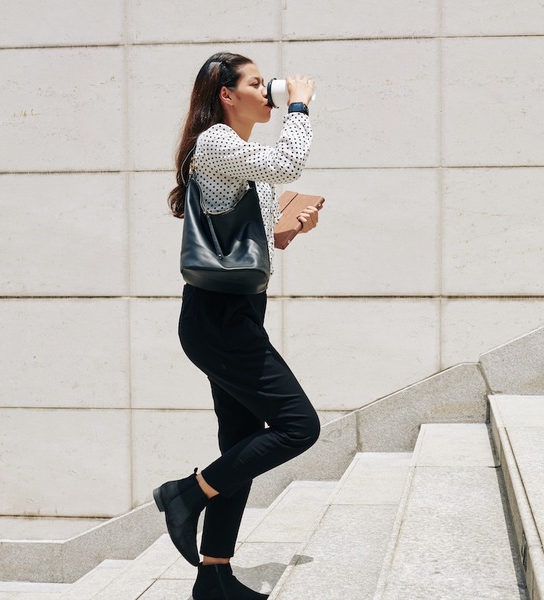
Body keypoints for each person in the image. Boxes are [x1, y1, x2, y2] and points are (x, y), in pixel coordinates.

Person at [152, 52, 321, 600]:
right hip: (219, 319)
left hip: (235, 313)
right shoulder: (217, 143)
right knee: (299, 427)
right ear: (227, 95)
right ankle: (186, 494)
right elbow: (290, 163)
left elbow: (250, 240)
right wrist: (297, 102)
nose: (265, 93)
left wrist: (286, 232)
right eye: (256, 84)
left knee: (243, 443)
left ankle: (214, 575)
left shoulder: (242, 155)